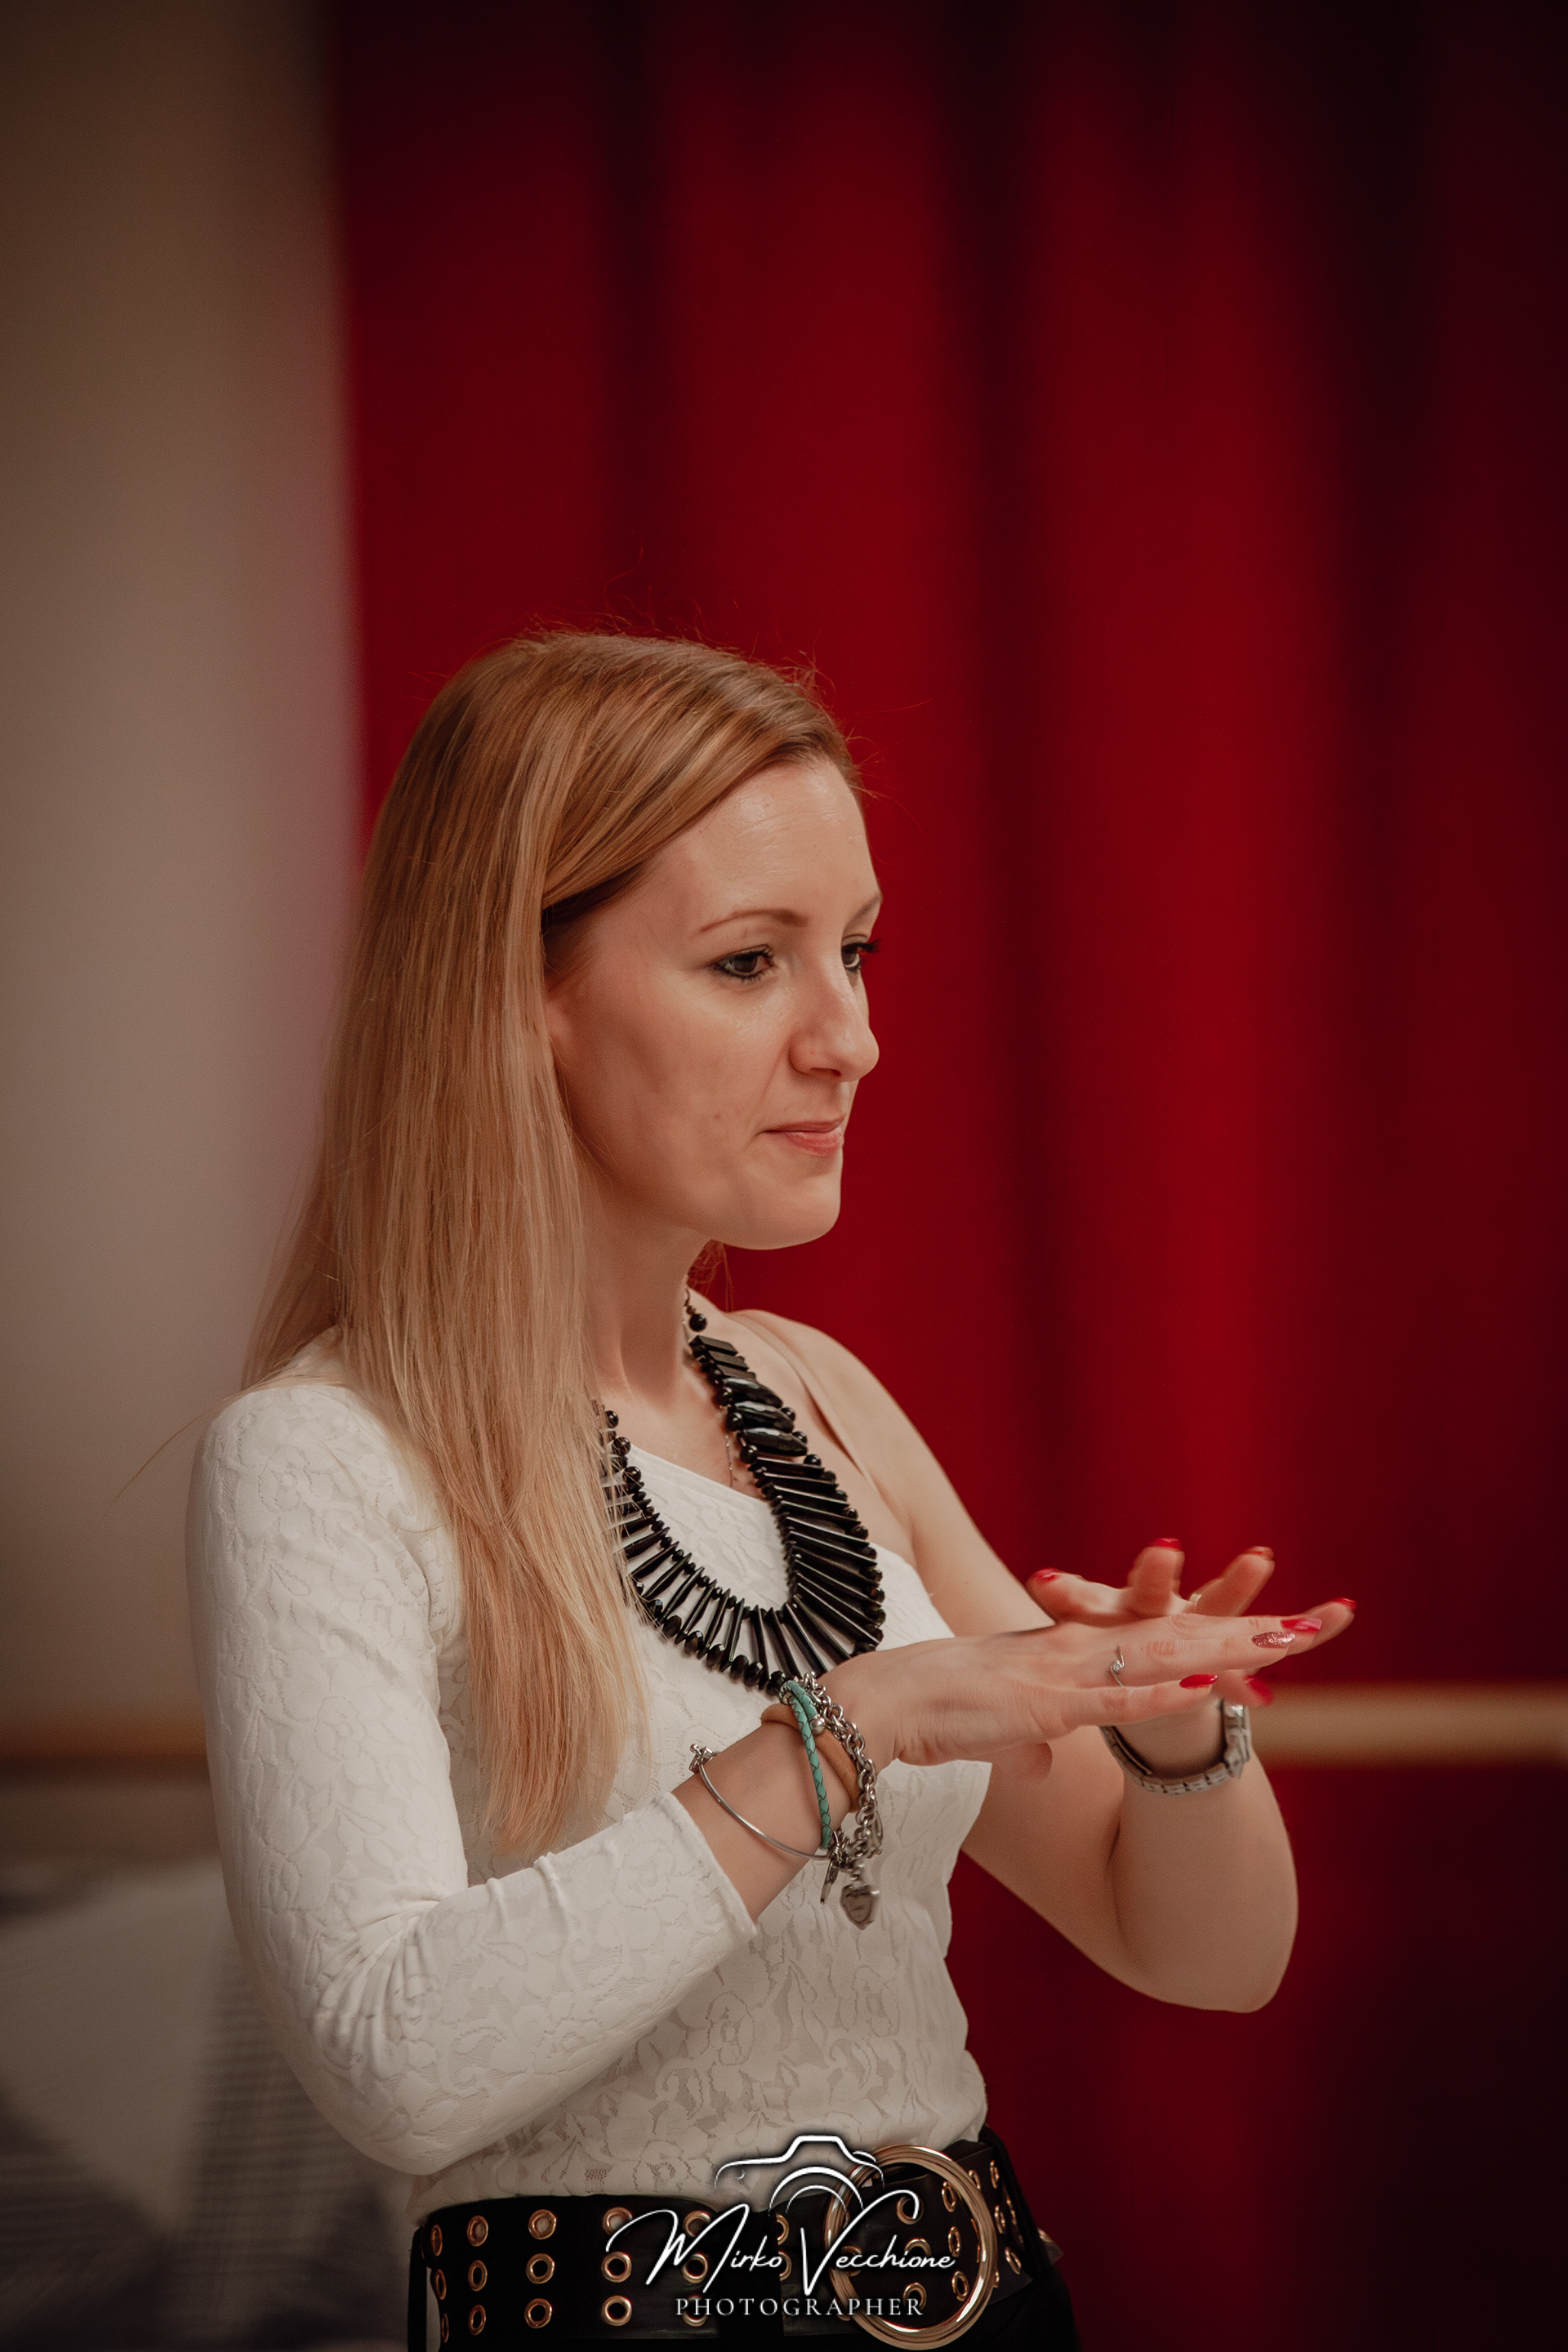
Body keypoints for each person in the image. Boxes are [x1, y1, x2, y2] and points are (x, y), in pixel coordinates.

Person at [189, 633, 1353, 2351]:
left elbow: (1203, 1954)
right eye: (750, 963)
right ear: (516, 995)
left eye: (855, 952)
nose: (853, 1039)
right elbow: (393, 2061)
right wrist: (845, 1729)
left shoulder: (822, 1399)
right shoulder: (324, 1455)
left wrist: (1181, 1739)